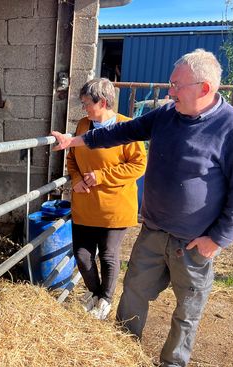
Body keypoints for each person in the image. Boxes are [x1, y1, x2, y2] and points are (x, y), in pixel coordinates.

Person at [51, 49, 233, 367]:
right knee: (133, 293)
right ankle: (121, 353)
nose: (169, 91)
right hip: (153, 230)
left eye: (176, 85)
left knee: (187, 308)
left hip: (194, 242)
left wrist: (216, 240)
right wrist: (72, 141)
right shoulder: (165, 116)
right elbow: (118, 132)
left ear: (204, 89)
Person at [68, 78, 146, 320]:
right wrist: (75, 179)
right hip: (84, 203)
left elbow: (138, 165)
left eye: (86, 103)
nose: (84, 109)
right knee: (81, 254)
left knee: (108, 255)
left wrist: (102, 175)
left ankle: (105, 300)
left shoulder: (126, 127)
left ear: (102, 102)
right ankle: (94, 293)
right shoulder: (83, 125)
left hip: (114, 206)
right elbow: (72, 158)